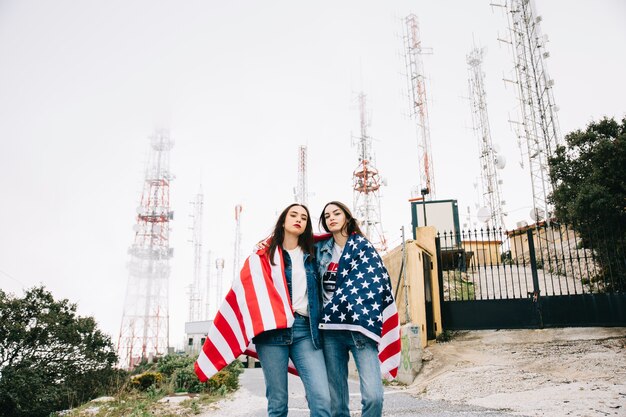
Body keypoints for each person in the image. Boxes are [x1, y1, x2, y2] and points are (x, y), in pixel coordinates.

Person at [316, 201, 400, 417]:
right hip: (330, 331)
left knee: (374, 397)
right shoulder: (320, 249)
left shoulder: (364, 248)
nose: (331, 217)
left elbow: (378, 282)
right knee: (337, 404)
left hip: (360, 329)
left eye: (336, 213)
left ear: (347, 217)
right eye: (327, 216)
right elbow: (289, 247)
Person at [252, 203, 331, 417]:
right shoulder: (265, 254)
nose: (299, 219)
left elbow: (338, 242)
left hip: (306, 331)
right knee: (277, 403)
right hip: (272, 332)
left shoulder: (314, 255)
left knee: (322, 398)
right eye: (293, 215)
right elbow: (250, 289)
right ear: (283, 221)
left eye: (304, 217)